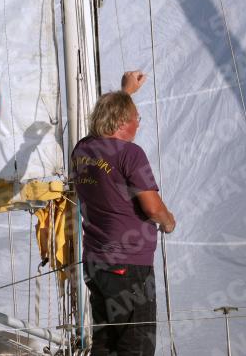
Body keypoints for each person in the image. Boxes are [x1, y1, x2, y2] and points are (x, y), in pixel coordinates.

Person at [72, 70, 176, 356]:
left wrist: (126, 93)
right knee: (135, 346)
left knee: (105, 344)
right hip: (128, 266)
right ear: (121, 123)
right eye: (136, 119)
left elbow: (105, 124)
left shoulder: (82, 149)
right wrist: (169, 222)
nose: (138, 124)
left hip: (96, 264)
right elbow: (152, 208)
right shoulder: (131, 154)